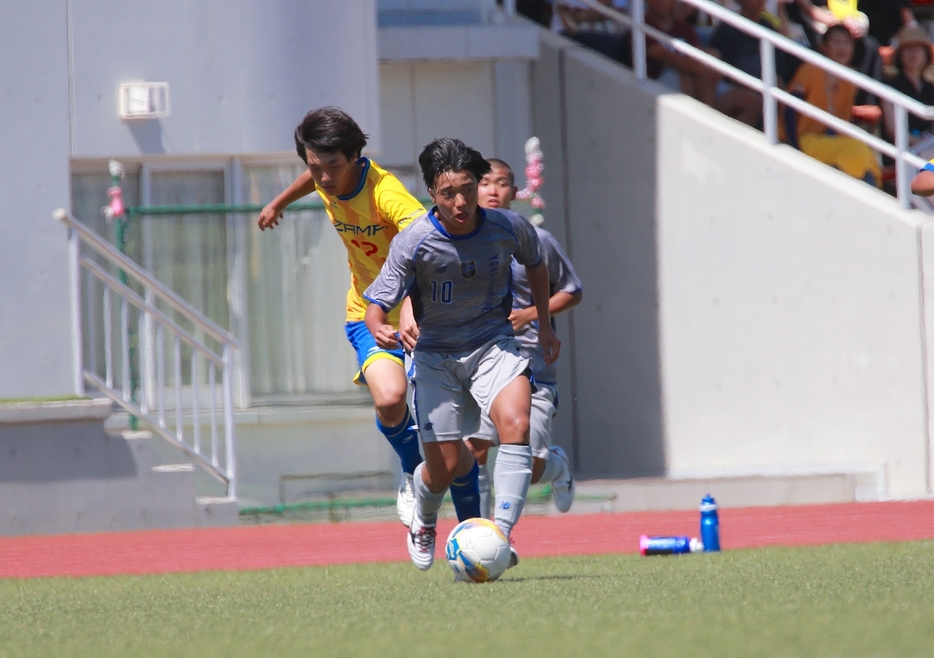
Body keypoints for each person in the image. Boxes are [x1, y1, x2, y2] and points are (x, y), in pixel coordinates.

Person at [257, 107, 480, 528]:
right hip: (366, 311)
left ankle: (477, 530)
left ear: (356, 157)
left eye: (333, 167)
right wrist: (277, 203)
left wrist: (412, 308)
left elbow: (427, 245)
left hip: (425, 315)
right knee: (391, 399)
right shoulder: (326, 175)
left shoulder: (385, 193)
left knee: (451, 447)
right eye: (315, 166)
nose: (324, 178)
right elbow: (313, 178)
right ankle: (413, 474)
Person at [363, 138, 560, 570]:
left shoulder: (508, 227)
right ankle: (426, 517)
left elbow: (537, 263)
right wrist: (378, 324)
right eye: (448, 193)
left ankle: (499, 538)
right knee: (446, 467)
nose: (460, 201)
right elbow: (379, 300)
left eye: (468, 189)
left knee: (517, 423)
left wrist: (543, 322)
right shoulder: (415, 241)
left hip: (493, 344)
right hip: (435, 357)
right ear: (431, 193)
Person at [462, 158, 582, 520]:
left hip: (531, 363)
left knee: (527, 468)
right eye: (484, 183)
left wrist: (531, 314)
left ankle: (556, 466)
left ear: (516, 192)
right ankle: (484, 534)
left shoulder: (536, 239)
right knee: (474, 451)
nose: (493, 190)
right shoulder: (460, 241)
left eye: (502, 183)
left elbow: (572, 291)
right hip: (481, 362)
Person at [782, 24, 882, 186]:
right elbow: (790, 110)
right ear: (824, 47)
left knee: (865, 153)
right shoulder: (811, 69)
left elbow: (845, 120)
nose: (842, 47)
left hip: (831, 140)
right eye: (836, 42)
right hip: (804, 139)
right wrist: (794, 148)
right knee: (857, 149)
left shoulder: (849, 79)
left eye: (847, 42)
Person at [882, 25, 934, 145]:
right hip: (899, 153)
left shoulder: (930, 89)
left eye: (918, 48)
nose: (913, 52)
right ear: (900, 54)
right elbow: (893, 131)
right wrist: (923, 144)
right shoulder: (890, 87)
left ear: (926, 54)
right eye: (908, 48)